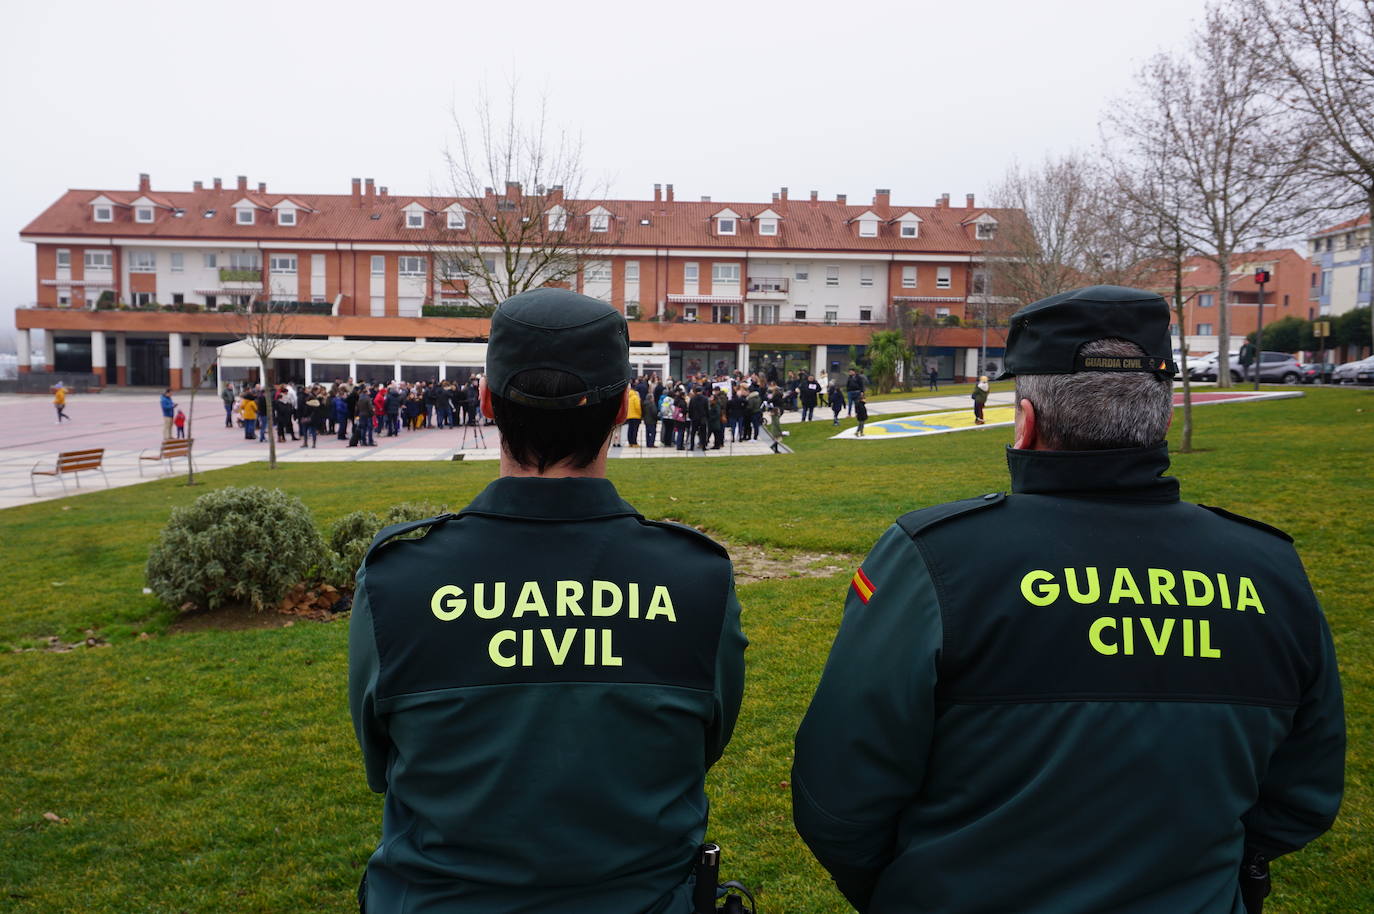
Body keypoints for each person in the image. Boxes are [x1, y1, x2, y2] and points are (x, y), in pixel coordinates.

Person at [792, 285, 1345, 914]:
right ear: (1162, 420)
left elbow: (840, 792)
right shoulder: (1269, 568)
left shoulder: (935, 558)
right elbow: (1304, 793)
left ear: (1025, 423)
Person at [349, 288, 747, 913]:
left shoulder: (399, 578)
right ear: (623, 409)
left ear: (484, 400)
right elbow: (706, 743)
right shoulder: (696, 578)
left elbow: (382, 763)